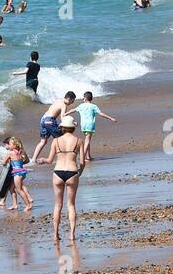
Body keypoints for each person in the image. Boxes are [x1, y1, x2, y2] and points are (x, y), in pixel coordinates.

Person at [50, 115, 83, 243]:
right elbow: (82, 161)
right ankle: (71, 234)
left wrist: (42, 160)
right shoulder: (79, 141)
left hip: (58, 172)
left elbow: (49, 159)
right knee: (71, 204)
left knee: (58, 205)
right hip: (72, 171)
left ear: (62, 128)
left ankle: (55, 234)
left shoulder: (56, 141)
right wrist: (80, 172)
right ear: (73, 128)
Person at [32, 91, 75, 164]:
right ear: (68, 98)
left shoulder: (57, 101)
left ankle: (33, 159)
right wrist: (72, 123)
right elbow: (62, 118)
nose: (72, 103)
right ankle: (63, 157)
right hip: (50, 121)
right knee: (61, 138)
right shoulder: (64, 105)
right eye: (72, 101)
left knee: (43, 141)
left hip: (43, 119)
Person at [74, 91, 115, 162]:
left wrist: (65, 113)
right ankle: (83, 156)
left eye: (83, 98)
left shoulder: (81, 106)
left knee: (87, 139)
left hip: (83, 125)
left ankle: (88, 156)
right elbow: (101, 114)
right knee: (87, 140)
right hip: (90, 125)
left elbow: (73, 110)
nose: (82, 99)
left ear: (85, 98)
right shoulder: (93, 106)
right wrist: (110, 118)